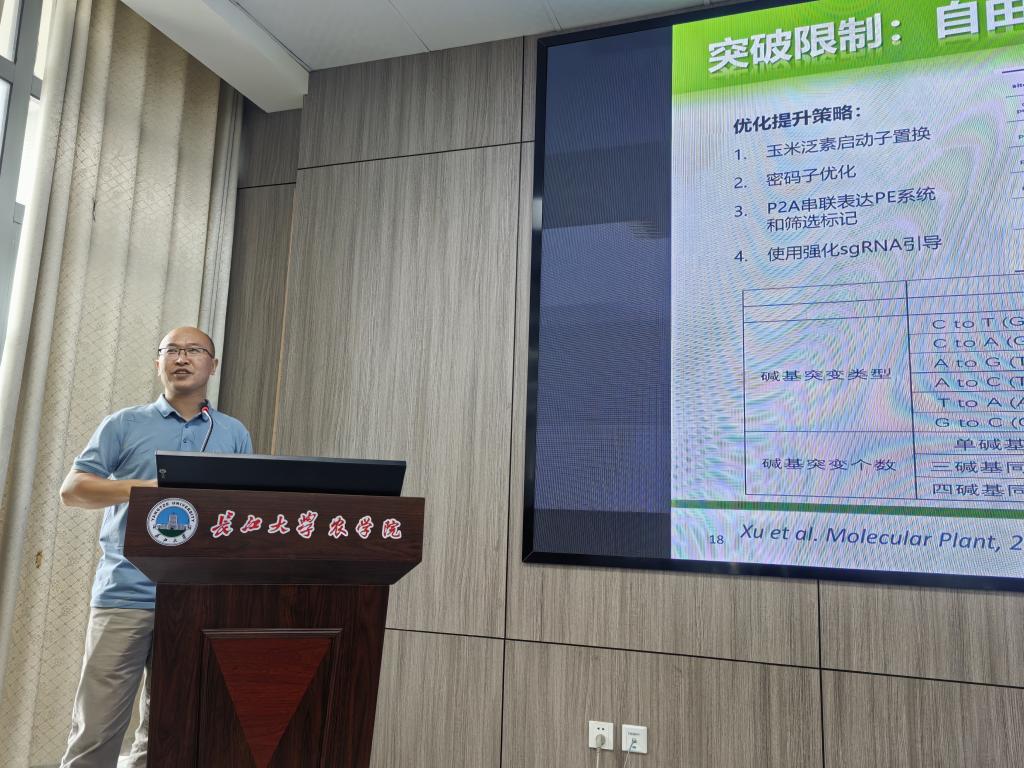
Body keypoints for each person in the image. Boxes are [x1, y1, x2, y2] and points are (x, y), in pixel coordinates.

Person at [58, 327, 252, 768]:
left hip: (197, 602)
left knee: (168, 733)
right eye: (172, 351)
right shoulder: (124, 424)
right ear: (158, 363)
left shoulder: (233, 433)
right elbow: (73, 490)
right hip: (125, 594)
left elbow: (241, 511)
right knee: (95, 732)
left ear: (213, 365)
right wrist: (145, 489)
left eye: (194, 350)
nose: (182, 358)